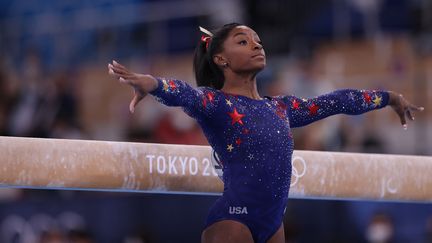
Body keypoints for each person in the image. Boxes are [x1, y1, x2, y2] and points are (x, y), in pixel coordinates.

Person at [108, 23, 424, 243]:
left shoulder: (282, 108)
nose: (256, 44)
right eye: (243, 41)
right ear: (221, 59)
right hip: (232, 223)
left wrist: (388, 97)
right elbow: (184, 93)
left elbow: (336, 101)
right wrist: (152, 84)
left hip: (274, 226)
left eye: (257, 39)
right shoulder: (216, 103)